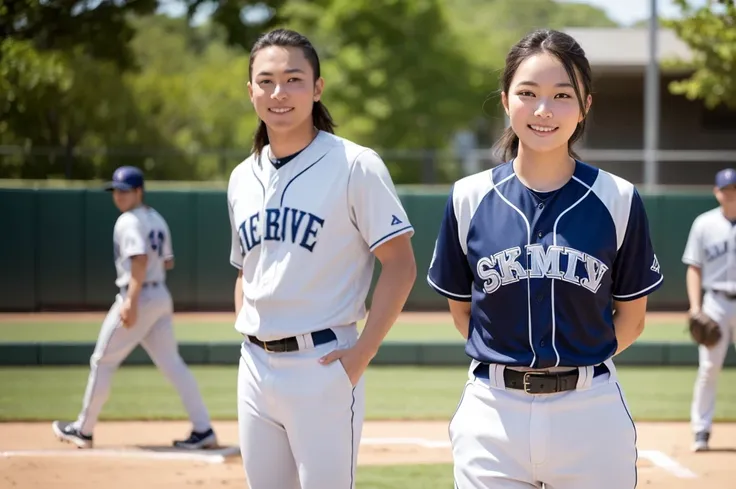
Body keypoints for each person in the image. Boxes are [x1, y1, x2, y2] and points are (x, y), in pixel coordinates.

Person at [427, 29, 664, 488]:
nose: (543, 110)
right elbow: (464, 313)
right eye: (528, 93)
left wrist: (579, 366)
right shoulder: (468, 196)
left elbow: (632, 320)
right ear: (505, 100)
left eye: (562, 95)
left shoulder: (617, 197)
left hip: (590, 413)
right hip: (493, 413)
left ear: (585, 106)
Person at [227, 28, 417, 489]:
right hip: (254, 365)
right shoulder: (241, 176)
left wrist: (362, 354)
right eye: (266, 80)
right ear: (250, 90)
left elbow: (401, 265)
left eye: (294, 79)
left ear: (317, 88)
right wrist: (249, 335)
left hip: (323, 364)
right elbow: (245, 271)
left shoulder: (355, 164)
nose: (279, 92)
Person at [52, 166, 217, 450]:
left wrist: (131, 300)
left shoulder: (128, 221)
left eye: (124, 190)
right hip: (160, 294)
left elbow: (138, 260)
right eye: (115, 190)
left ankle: (84, 429)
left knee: (102, 360)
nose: (118, 195)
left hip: (138, 296)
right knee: (173, 365)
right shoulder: (156, 218)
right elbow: (167, 261)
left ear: (138, 191)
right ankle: (203, 429)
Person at [682, 168, 736, 452]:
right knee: (708, 368)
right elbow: (694, 267)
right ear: (716, 192)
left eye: (734, 189)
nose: (730, 194)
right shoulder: (704, 223)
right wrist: (695, 308)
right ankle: (701, 431)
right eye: (725, 189)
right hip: (715, 301)